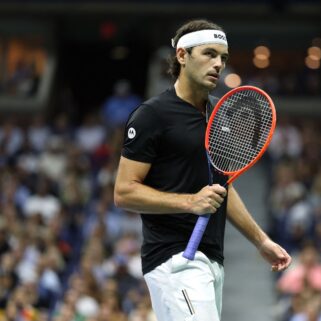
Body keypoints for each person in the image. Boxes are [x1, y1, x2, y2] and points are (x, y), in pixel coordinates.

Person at [113, 19, 292, 321]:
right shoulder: (151, 116)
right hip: (174, 260)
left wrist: (261, 241)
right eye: (209, 54)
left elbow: (223, 188)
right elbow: (124, 192)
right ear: (182, 56)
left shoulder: (219, 112)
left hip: (211, 260)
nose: (218, 63)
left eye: (223, 57)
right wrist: (188, 202)